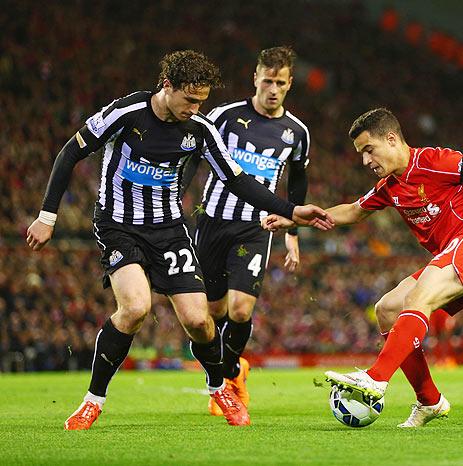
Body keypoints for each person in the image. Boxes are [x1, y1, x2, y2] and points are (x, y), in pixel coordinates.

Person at [26, 50, 333, 430]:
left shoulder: (200, 129)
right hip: (119, 226)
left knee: (200, 322)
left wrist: (290, 210)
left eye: (202, 101)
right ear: (167, 86)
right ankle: (93, 401)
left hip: (170, 231)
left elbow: (236, 178)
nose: (196, 108)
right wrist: (47, 215)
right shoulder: (126, 113)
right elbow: (71, 151)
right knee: (135, 308)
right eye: (190, 100)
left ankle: (219, 387)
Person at [262, 108, 463, 427]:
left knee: (417, 297)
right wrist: (293, 218)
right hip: (455, 254)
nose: (365, 161)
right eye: (361, 154)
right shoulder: (390, 186)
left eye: (368, 150)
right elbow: (351, 211)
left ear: (391, 139)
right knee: (388, 309)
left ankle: (376, 378)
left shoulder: (435, 161)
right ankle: (429, 400)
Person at [182, 46, 310, 418]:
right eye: (267, 80)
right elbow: (191, 157)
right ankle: (235, 368)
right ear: (255, 78)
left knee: (240, 309)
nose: (272, 88)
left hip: (257, 227)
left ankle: (227, 378)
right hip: (212, 221)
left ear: (289, 85)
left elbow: (298, 180)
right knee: (211, 311)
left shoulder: (296, 132)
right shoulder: (223, 117)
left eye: (280, 83)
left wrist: (293, 233)